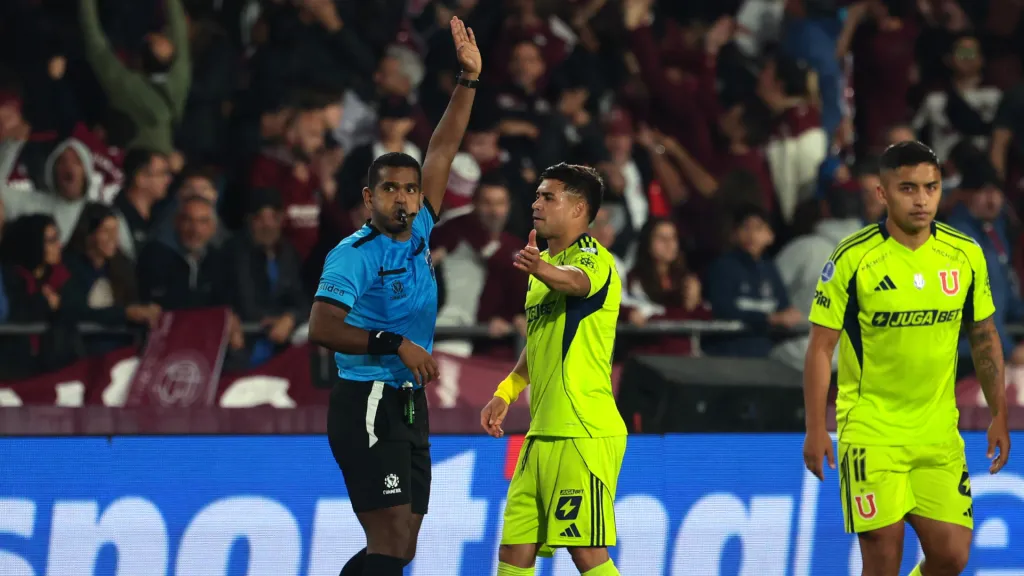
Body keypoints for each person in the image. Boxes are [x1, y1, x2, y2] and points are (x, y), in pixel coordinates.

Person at [306, 17, 481, 576]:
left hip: (407, 400)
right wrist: (394, 343)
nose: (403, 198)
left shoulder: (422, 226)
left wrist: (468, 81)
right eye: (390, 189)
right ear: (368, 198)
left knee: (402, 546)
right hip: (367, 399)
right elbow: (322, 327)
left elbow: (443, 147)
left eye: (410, 188)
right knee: (388, 539)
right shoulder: (354, 254)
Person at [803, 141, 1011, 575]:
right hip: (872, 430)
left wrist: (998, 413)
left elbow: (984, 336)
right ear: (883, 193)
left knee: (952, 556)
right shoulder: (853, 258)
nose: (921, 200)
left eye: (931, 187)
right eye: (908, 188)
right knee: (883, 557)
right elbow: (821, 347)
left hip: (938, 432)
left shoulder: (965, 254)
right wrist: (815, 428)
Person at [480, 163, 627, 576]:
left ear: (579, 209)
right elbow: (538, 341)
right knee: (514, 551)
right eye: (537, 195)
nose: (536, 204)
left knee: (587, 553)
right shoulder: (542, 267)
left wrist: (542, 269)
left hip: (583, 430)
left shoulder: (594, 258)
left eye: (548, 197)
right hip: (542, 432)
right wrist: (506, 391)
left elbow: (577, 282)